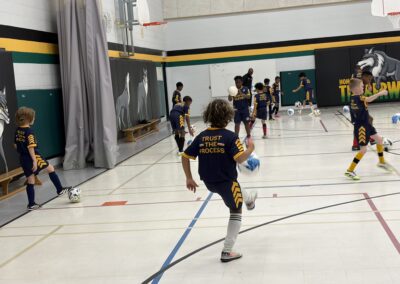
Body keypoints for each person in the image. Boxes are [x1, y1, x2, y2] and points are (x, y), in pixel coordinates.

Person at [181, 99, 257, 262]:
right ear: (228, 116)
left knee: (236, 191)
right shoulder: (231, 137)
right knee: (236, 210)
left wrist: (189, 177)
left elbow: (185, 156)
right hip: (227, 182)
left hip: (210, 182)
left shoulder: (202, 136)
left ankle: (249, 200)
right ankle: (227, 251)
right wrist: (250, 148)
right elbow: (240, 158)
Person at [14, 107, 71, 210]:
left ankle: (31, 204)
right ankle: (59, 189)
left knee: (30, 179)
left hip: (23, 158)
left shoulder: (18, 130)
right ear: (29, 118)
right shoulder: (29, 131)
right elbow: (31, 147)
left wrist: (22, 151)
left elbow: (15, 145)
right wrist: (34, 160)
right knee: (50, 168)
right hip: (33, 157)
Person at [345, 78, 390, 180]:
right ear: (356, 89)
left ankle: (381, 162)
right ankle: (350, 170)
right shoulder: (358, 97)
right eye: (361, 86)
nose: (363, 87)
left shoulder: (353, 98)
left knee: (379, 140)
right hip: (361, 128)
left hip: (367, 125)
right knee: (363, 150)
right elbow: (368, 99)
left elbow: (358, 112)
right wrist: (380, 93)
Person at [352, 70, 376, 151]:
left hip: (358, 103)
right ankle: (356, 144)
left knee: (369, 119)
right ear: (364, 77)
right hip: (355, 104)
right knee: (359, 123)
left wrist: (369, 85)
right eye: (369, 79)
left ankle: (370, 138)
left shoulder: (363, 82)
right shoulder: (358, 80)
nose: (370, 81)